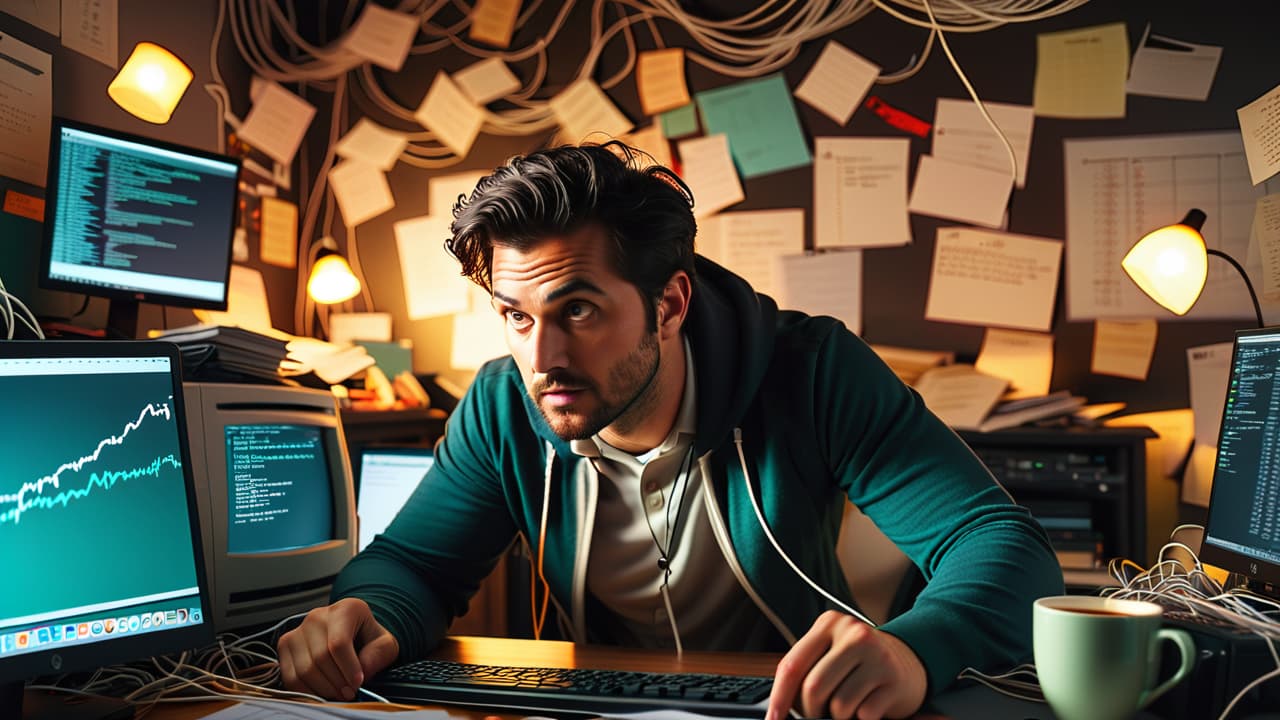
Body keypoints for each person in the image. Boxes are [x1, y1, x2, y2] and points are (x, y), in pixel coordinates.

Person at [277, 142, 1063, 719]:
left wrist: (917, 647)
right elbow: (414, 565)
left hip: (786, 710)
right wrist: (366, 615)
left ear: (670, 304)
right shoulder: (501, 406)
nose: (541, 357)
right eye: (517, 317)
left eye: (577, 310)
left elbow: (1003, 544)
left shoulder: (813, 370)